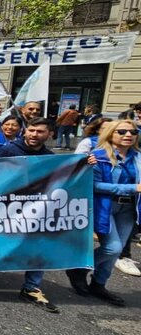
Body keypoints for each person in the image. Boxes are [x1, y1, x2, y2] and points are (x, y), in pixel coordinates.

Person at [65, 120, 141, 306]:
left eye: (133, 131)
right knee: (112, 247)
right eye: (122, 131)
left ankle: (99, 284)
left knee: (116, 250)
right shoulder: (98, 156)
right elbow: (95, 185)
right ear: (110, 134)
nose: (128, 135)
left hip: (129, 209)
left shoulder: (138, 157)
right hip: (105, 206)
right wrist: (132, 188)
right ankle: (79, 269)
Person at [0, 118, 62, 313]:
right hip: (6, 208)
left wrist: (84, 163)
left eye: (40, 131)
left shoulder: (51, 157)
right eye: (31, 130)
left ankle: (31, 287)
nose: (34, 134)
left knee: (39, 244)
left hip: (35, 210)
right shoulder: (9, 150)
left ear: (49, 135)